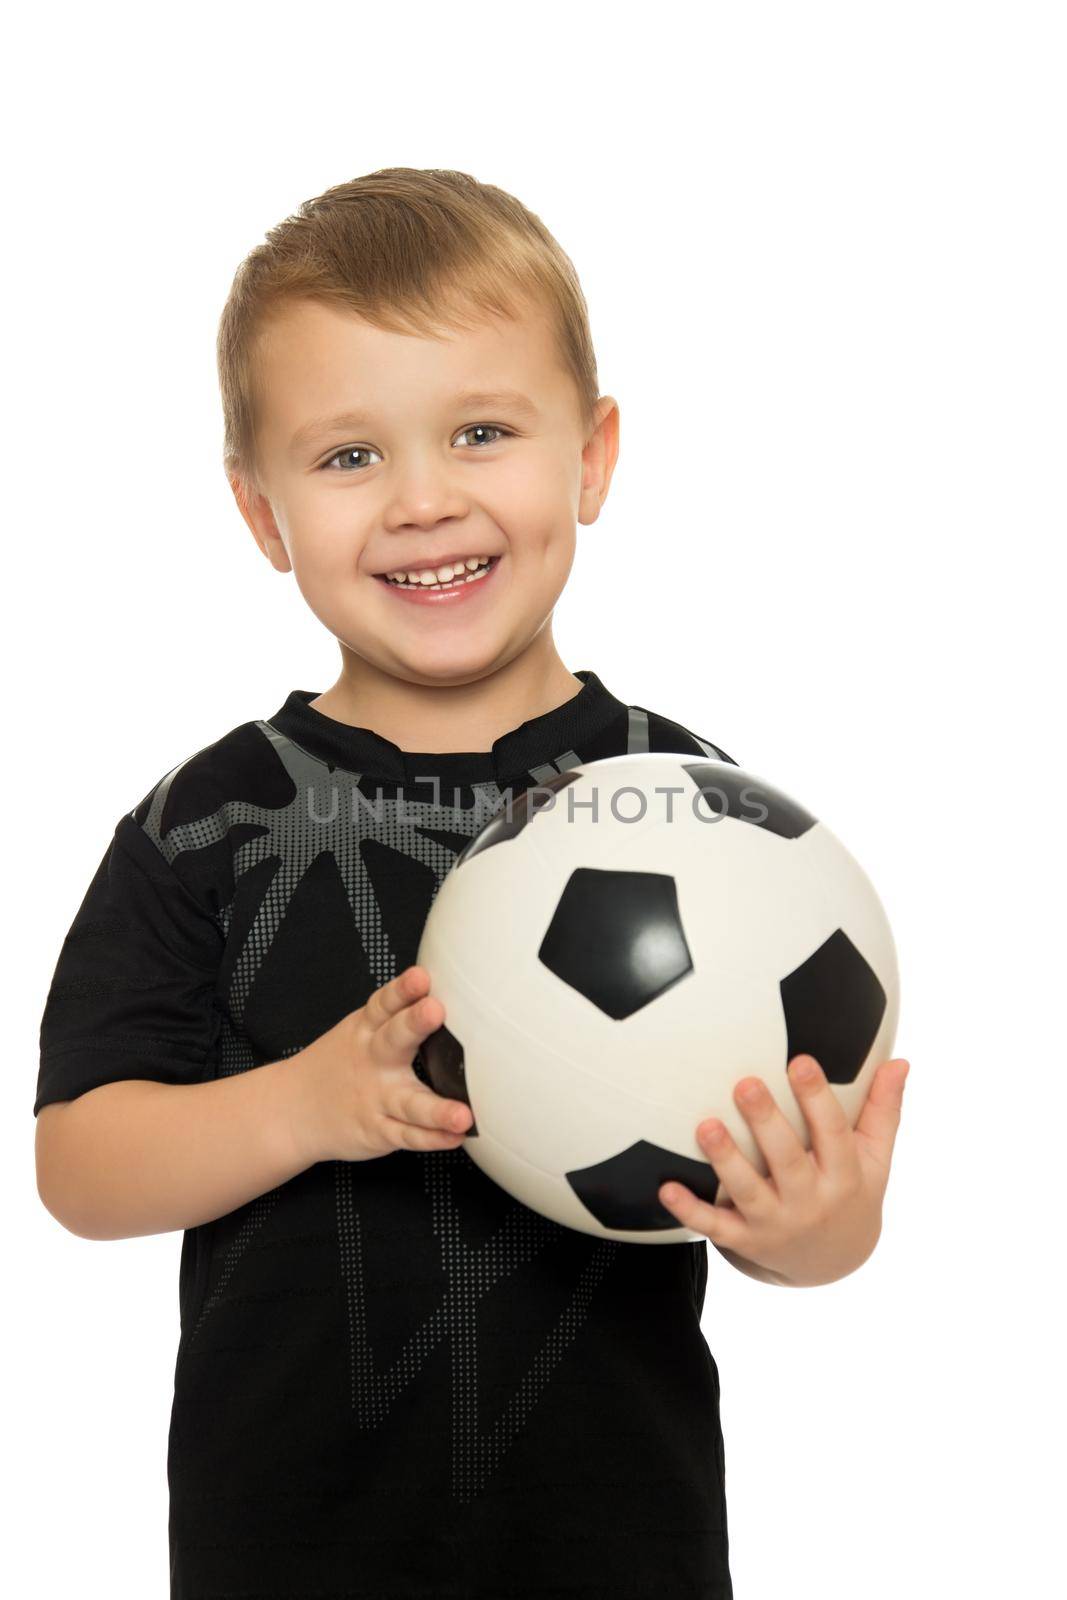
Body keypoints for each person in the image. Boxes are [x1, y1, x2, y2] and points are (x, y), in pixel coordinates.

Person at [34, 166, 850, 1598]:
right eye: (349, 457)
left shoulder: (696, 814)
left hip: (619, 1545)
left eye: (482, 432)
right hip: (283, 1550)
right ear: (259, 509)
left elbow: (769, 1184)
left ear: (592, 457)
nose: (423, 501)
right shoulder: (207, 822)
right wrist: (301, 1104)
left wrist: (818, 1228)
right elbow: (80, 1168)